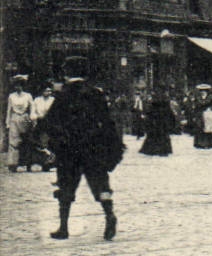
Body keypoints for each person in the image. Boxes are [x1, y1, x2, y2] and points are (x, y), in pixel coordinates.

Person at [37, 61, 123, 241]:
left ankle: (63, 227)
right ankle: (109, 215)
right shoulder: (95, 94)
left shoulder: (63, 95)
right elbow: (108, 122)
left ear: (68, 73)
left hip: (70, 150)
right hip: (94, 148)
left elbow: (50, 121)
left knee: (66, 186)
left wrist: (45, 136)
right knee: (101, 184)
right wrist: (112, 147)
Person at [138, 90, 177, 156]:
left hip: (155, 123)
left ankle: (153, 150)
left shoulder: (154, 103)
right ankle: (163, 150)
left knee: (154, 136)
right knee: (163, 136)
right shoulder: (165, 103)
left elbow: (149, 112)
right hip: (162, 124)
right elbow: (170, 114)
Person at [6, 75, 33, 172]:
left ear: (23, 86)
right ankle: (13, 164)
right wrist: (8, 123)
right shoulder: (11, 96)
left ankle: (28, 163)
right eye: (16, 85)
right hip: (14, 118)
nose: (18, 87)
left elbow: (32, 108)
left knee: (27, 141)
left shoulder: (28, 95)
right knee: (14, 141)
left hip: (25, 118)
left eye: (20, 85)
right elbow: (9, 110)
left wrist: (32, 119)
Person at [191, 84, 212, 149]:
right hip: (200, 115)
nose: (203, 92)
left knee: (210, 128)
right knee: (200, 128)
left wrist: (211, 108)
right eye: (201, 91)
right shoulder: (197, 98)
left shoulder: (211, 97)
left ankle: (211, 144)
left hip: (209, 115)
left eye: (204, 91)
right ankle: (200, 144)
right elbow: (195, 106)